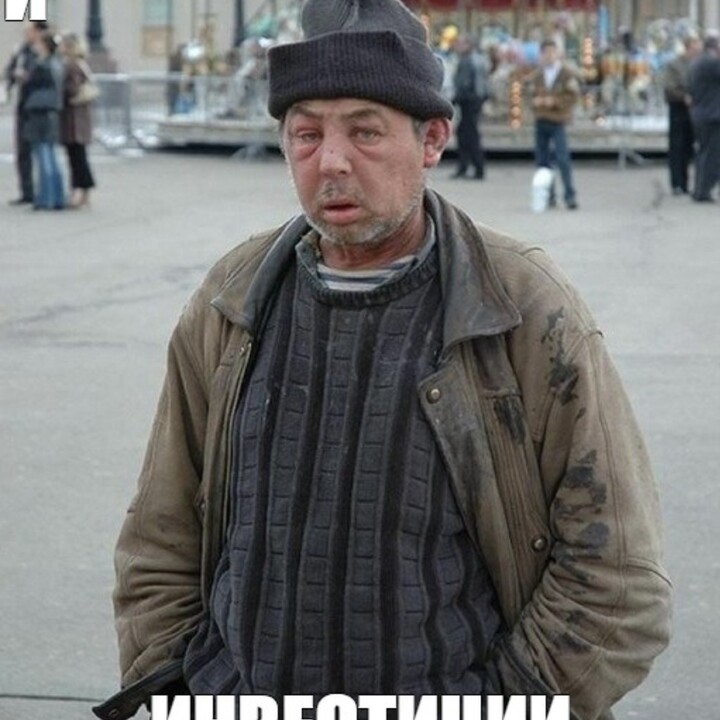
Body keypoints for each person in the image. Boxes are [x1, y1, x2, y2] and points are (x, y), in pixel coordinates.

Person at [94, 1, 671, 718]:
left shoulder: (523, 309)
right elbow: (159, 538)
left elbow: (617, 579)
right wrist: (176, 691)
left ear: (432, 140)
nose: (331, 161)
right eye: (307, 134)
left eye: (365, 131)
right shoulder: (232, 301)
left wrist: (500, 705)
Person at [528, 39, 580, 209]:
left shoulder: (565, 74)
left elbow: (573, 95)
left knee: (562, 158)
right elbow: (528, 94)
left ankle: (569, 195)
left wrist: (555, 102)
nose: (549, 56)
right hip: (541, 119)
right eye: (546, 53)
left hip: (558, 120)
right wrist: (535, 103)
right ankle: (548, 195)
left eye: (552, 52)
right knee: (542, 161)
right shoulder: (537, 75)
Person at [4, 20, 48, 206]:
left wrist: (27, 76)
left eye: (29, 31)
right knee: (22, 150)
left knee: (42, 150)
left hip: (39, 106)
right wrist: (12, 75)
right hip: (24, 105)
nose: (26, 34)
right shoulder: (22, 51)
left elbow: (44, 76)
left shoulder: (44, 52)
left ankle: (45, 191)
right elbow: (9, 71)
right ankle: (27, 191)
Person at [22, 29, 65, 211]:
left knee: (43, 154)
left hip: (40, 111)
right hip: (52, 111)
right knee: (50, 154)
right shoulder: (57, 64)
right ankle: (57, 196)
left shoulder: (42, 65)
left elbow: (30, 83)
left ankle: (46, 197)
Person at [59, 33, 96, 208]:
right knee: (79, 156)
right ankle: (84, 192)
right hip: (80, 116)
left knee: (76, 157)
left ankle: (79, 191)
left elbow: (72, 89)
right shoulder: (81, 64)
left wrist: (61, 89)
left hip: (73, 118)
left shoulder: (72, 66)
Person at [663, 36, 702, 195]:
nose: (697, 51)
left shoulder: (698, 64)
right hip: (678, 108)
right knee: (677, 146)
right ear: (687, 48)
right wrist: (684, 96)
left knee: (688, 146)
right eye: (695, 48)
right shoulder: (674, 65)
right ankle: (676, 183)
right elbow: (669, 87)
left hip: (694, 109)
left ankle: (685, 183)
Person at [451, 34, 489, 179]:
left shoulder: (467, 61)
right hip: (475, 101)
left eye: (460, 44)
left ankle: (476, 167)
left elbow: (464, 83)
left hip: (468, 101)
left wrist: (454, 99)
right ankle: (466, 166)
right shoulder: (478, 59)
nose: (457, 47)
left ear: (467, 45)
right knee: (466, 134)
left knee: (469, 135)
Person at [688, 35, 720, 203]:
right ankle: (703, 190)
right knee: (712, 154)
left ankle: (700, 189)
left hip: (701, 113)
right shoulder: (711, 63)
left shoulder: (697, 62)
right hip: (711, 115)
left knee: (703, 153)